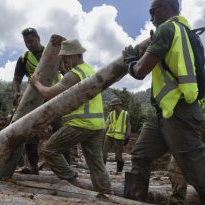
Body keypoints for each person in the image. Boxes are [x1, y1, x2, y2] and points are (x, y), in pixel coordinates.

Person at [122, 0, 205, 203]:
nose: (150, 18)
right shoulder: (186, 33)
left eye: (152, 11)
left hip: (180, 113)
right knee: (140, 154)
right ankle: (133, 200)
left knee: (199, 176)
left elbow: (140, 71)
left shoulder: (168, 29)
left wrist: (130, 62)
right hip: (164, 113)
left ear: (166, 7)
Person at [30, 39, 112, 194]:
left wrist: (36, 83)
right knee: (97, 165)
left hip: (80, 124)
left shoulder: (74, 75)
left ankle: (72, 182)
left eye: (65, 58)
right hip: (97, 125)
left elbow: (48, 94)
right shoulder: (88, 70)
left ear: (74, 56)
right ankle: (107, 194)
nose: (64, 62)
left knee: (49, 150)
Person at [12, 27, 67, 174]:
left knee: (60, 129)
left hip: (55, 96)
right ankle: (33, 167)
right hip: (35, 99)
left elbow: (66, 70)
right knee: (30, 132)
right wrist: (15, 92)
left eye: (31, 41)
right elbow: (17, 79)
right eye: (26, 42)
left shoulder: (53, 52)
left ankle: (65, 167)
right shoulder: (24, 59)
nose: (28, 44)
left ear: (38, 39)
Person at [167, 82, 205, 204]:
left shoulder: (188, 74)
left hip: (192, 124)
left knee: (177, 164)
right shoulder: (190, 74)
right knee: (198, 165)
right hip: (196, 125)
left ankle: (178, 200)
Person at [102, 97, 132, 174]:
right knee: (104, 152)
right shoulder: (111, 113)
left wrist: (128, 136)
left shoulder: (125, 114)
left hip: (119, 138)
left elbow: (128, 125)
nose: (113, 107)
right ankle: (102, 170)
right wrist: (102, 131)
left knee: (118, 156)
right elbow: (107, 124)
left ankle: (119, 172)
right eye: (112, 105)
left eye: (114, 105)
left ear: (119, 105)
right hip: (109, 135)